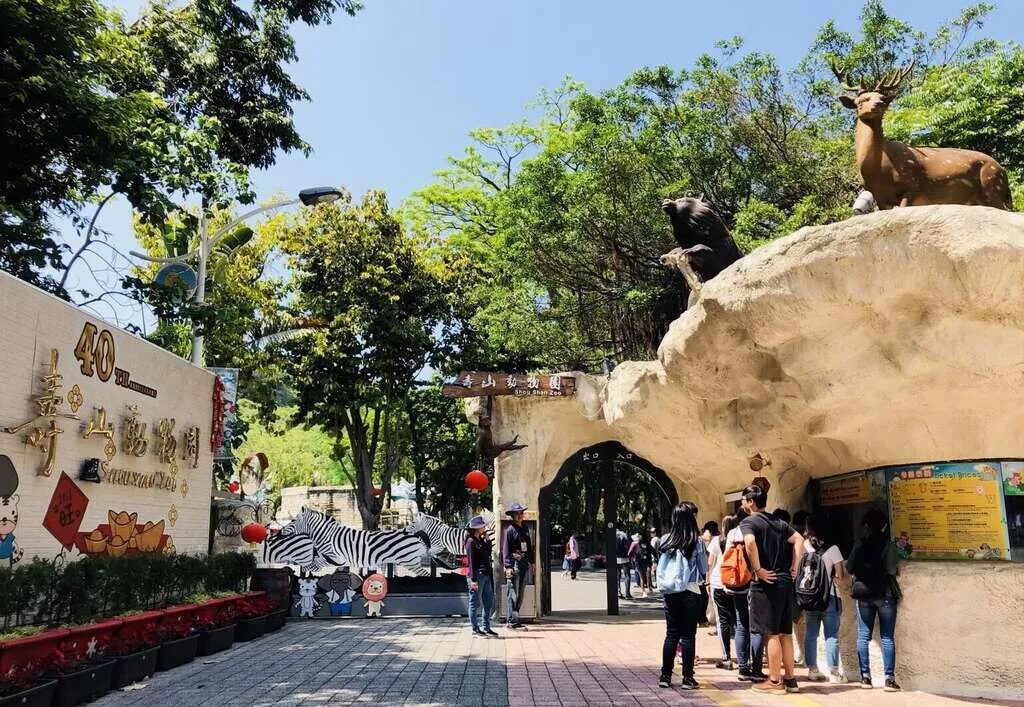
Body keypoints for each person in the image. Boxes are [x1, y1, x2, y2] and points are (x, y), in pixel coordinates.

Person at [741, 485, 805, 695]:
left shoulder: (749, 522)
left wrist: (758, 569)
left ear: (751, 502)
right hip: (785, 582)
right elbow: (799, 540)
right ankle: (790, 679)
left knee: (771, 634)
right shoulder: (779, 522)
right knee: (786, 632)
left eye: (744, 500)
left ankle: (775, 681)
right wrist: (794, 567)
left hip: (767, 583)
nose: (743, 504)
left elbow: (750, 543)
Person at [847, 508, 901, 692]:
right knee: (887, 637)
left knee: (863, 636)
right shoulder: (888, 545)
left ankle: (865, 678)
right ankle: (889, 680)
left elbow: (849, 567)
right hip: (885, 594)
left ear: (866, 526)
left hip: (864, 595)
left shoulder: (859, 544)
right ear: (885, 525)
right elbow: (892, 569)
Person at [656, 502, 708, 691]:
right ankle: (687, 678)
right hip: (691, 592)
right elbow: (704, 568)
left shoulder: (665, 540)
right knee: (688, 636)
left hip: (670, 592)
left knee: (671, 634)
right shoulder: (697, 540)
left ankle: (665, 676)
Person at [801, 514, 846, 682]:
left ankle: (812, 669)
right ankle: (834, 673)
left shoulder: (804, 546)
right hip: (830, 597)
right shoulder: (833, 549)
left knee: (811, 634)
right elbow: (840, 575)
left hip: (810, 597)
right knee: (831, 635)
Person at [707, 515, 736, 669]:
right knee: (738, 620)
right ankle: (745, 657)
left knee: (722, 621)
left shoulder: (716, 541)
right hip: (737, 583)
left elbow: (710, 563)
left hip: (718, 583)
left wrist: (707, 581)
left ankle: (726, 658)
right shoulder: (739, 539)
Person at [502, 502, 534, 630]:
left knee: (520, 593)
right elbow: (505, 550)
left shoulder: (525, 528)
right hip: (514, 564)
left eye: (521, 513)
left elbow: (529, 546)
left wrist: (532, 562)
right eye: (517, 514)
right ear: (513, 516)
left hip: (524, 563)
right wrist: (508, 566)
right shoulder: (510, 530)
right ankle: (512, 621)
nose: (520, 515)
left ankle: (514, 619)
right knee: (513, 593)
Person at [465, 515, 497, 637]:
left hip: (486, 575)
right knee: (474, 603)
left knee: (488, 602)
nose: (485, 527)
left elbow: (487, 553)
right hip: (477, 576)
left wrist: (487, 540)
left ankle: (486, 627)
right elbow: (471, 562)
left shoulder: (480, 541)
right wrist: (473, 579)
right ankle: (475, 629)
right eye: (483, 526)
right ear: (477, 528)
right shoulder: (470, 542)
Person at [701, 521, 720, 632]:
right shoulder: (723, 538)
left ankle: (718, 628)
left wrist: (707, 580)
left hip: (715, 576)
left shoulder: (713, 541)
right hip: (727, 576)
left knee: (715, 604)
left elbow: (710, 563)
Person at [629, 532, 653, 598]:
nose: (639, 537)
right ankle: (644, 592)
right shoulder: (636, 544)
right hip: (639, 562)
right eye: (638, 536)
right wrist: (631, 558)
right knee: (642, 577)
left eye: (640, 536)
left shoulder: (648, 544)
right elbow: (630, 552)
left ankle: (649, 587)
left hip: (647, 562)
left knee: (648, 573)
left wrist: (656, 557)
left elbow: (653, 551)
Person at [615, 525, 632, 599]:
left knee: (617, 575)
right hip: (624, 557)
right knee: (627, 575)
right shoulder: (624, 535)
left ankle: (618, 592)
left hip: (615, 557)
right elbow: (627, 546)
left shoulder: (613, 535)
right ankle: (627, 593)